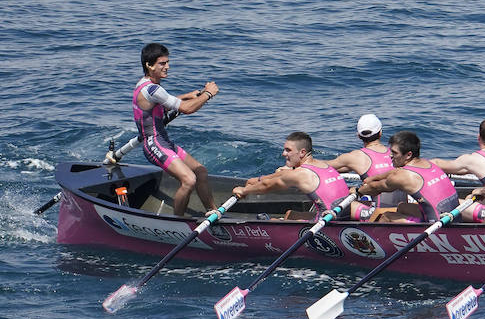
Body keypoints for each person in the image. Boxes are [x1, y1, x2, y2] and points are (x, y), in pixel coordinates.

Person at [133, 42, 220, 216]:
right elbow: (187, 109)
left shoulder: (146, 84)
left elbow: (164, 104)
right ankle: (177, 222)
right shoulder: (152, 89)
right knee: (189, 180)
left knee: (201, 172)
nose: (167, 67)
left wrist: (187, 96)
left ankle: (213, 212)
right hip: (154, 144)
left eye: (167, 62)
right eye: (162, 63)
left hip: (163, 141)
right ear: (149, 65)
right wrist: (207, 94)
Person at [231, 132, 351, 220]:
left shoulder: (301, 174)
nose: (283, 154)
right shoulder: (322, 164)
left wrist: (245, 190)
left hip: (328, 221)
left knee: (272, 221)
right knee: (291, 215)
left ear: (302, 152)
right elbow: (286, 174)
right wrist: (258, 179)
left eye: (288, 150)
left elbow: (268, 186)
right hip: (344, 215)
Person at [355, 130, 460, 223]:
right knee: (402, 207)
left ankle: (373, 242)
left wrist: (358, 192)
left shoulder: (403, 176)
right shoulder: (429, 163)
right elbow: (395, 172)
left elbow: (375, 188)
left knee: (386, 217)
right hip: (455, 216)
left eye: (394, 153)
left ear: (408, 155)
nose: (390, 155)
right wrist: (372, 178)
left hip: (439, 224)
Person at [430, 118, 485, 220]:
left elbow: (440, 164)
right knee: (470, 197)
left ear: (479, 137)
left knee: (448, 202)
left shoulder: (474, 159)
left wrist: (418, 164)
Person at [323, 113, 401, 219]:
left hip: (377, 216)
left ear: (359, 136)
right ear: (380, 133)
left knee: (338, 203)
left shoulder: (355, 157)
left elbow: (321, 167)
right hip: (400, 212)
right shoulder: (397, 154)